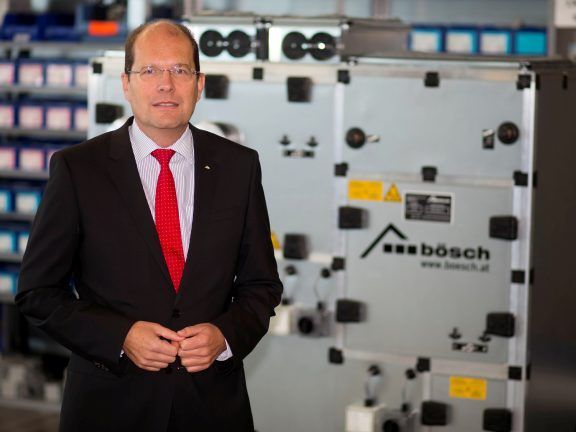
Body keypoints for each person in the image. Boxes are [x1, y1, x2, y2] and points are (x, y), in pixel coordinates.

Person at [16, 19, 282, 432]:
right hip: (110, 406)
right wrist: (120, 337)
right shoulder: (78, 169)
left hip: (212, 407)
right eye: (150, 70)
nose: (166, 84)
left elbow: (261, 285)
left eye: (180, 70)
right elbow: (38, 292)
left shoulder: (238, 166)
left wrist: (225, 336)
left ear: (199, 84)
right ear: (126, 83)